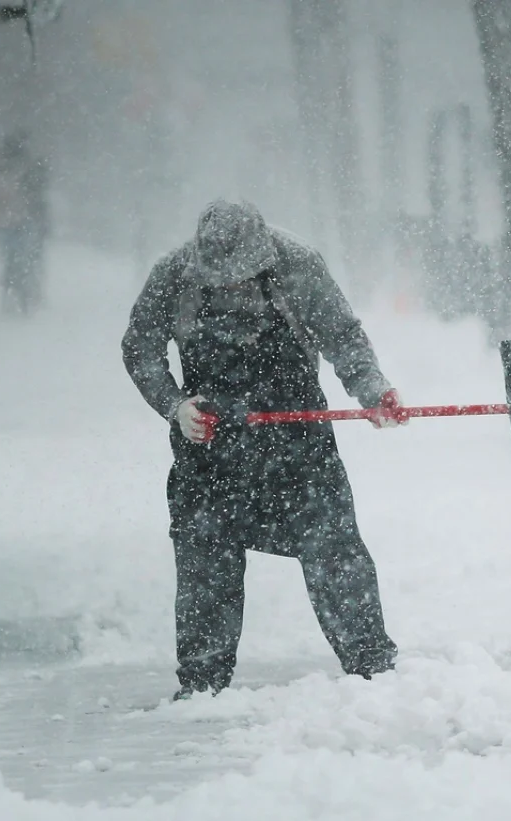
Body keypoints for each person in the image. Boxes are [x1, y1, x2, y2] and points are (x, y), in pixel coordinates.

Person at [122, 200, 405, 700]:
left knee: (334, 551)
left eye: (242, 280)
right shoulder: (172, 274)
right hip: (209, 448)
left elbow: (342, 335)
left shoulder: (298, 264)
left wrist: (372, 389)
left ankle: (373, 669)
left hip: (297, 445)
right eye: (221, 282)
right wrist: (175, 405)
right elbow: (139, 347)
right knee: (205, 562)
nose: (232, 290)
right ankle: (203, 685)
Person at [0, 130, 50, 314]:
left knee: (13, 257)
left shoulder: (1, 169)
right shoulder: (26, 169)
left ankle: (14, 288)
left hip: (7, 220)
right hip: (19, 220)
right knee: (23, 257)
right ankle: (23, 289)